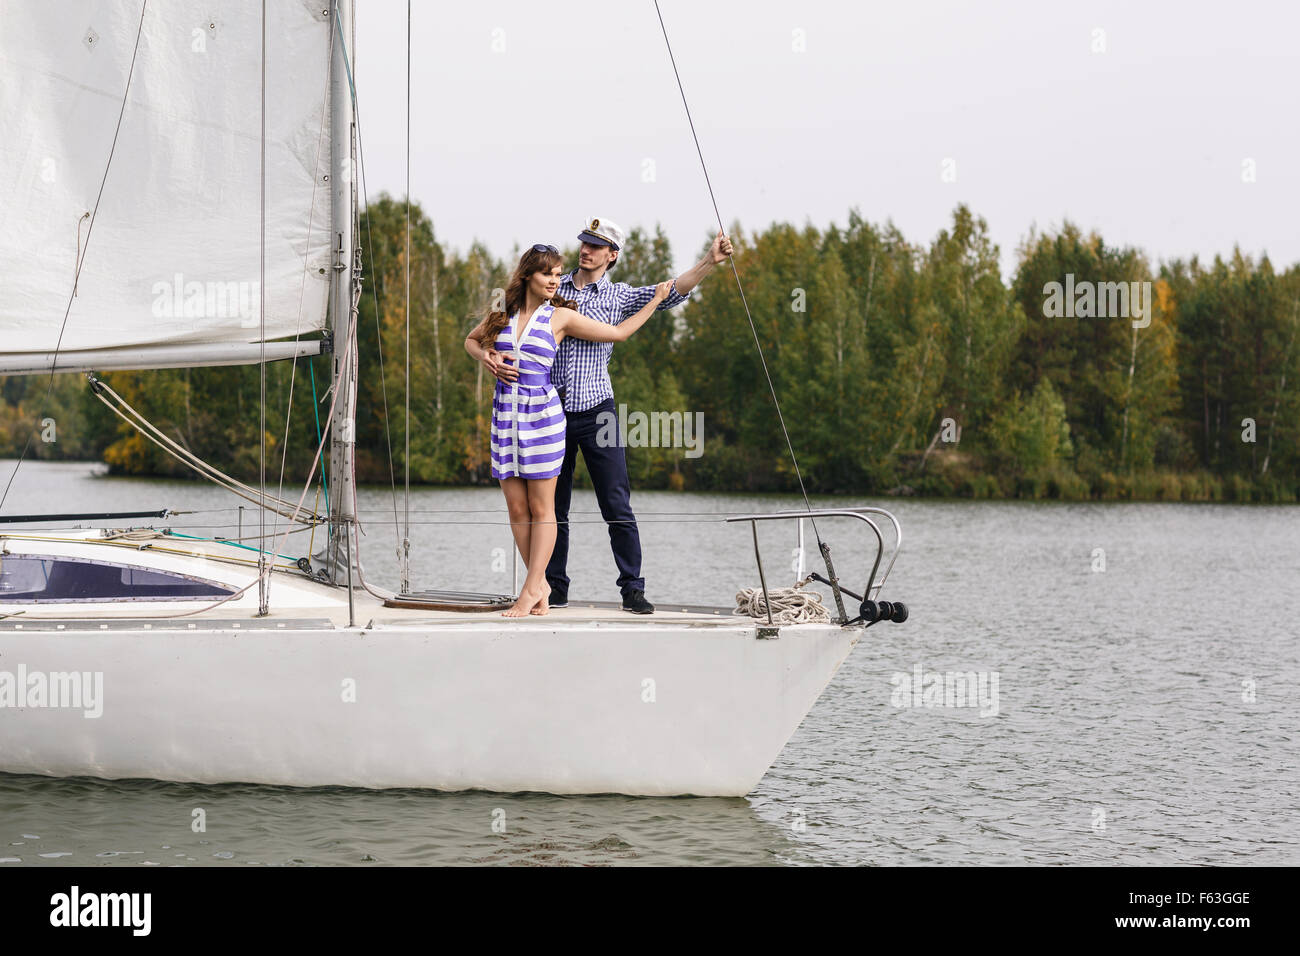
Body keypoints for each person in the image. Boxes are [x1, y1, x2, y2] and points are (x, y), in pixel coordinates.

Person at [464, 243, 670, 617]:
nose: (555, 281)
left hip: (543, 416)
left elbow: (619, 333)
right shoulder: (503, 311)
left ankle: (531, 589)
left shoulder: (559, 317)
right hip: (505, 416)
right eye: (548, 274)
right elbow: (471, 341)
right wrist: (488, 358)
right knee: (516, 507)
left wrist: (654, 301)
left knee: (544, 508)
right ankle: (540, 585)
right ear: (528, 275)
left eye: (559, 275)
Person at [540, 216, 732, 614]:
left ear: (612, 255)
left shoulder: (620, 296)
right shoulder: (551, 288)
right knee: (553, 506)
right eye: (584, 242)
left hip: (597, 411)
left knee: (616, 502)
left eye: (596, 245)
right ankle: (554, 587)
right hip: (551, 411)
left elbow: (672, 291)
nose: (586, 250)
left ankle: (632, 589)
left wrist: (709, 261)